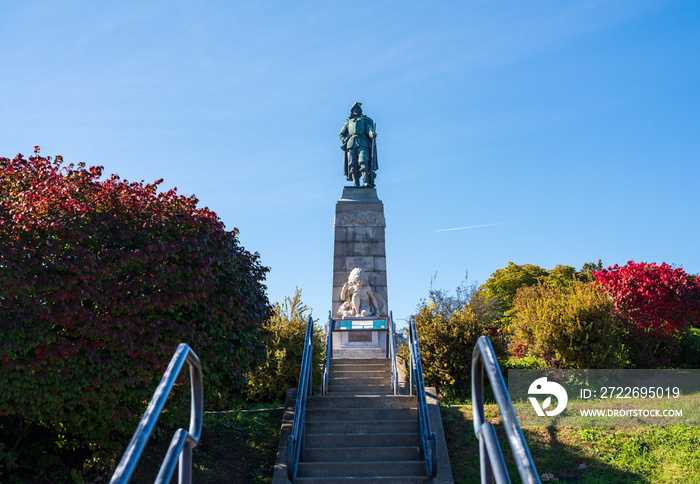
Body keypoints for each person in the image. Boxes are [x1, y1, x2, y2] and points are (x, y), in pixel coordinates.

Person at [339, 102, 378, 187]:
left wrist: (372, 134)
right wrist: (344, 140)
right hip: (351, 144)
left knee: (363, 161)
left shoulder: (364, 120)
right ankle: (356, 183)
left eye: (357, 109)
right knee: (352, 164)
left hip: (363, 143)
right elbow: (341, 134)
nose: (355, 110)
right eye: (354, 109)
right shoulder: (349, 122)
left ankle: (365, 182)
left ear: (360, 110)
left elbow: (369, 129)